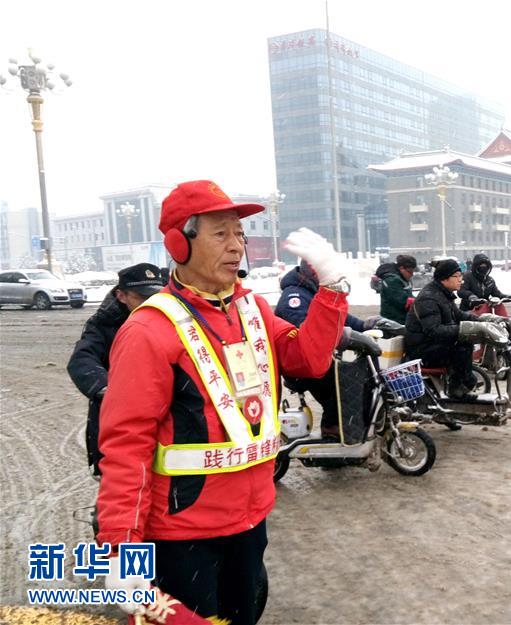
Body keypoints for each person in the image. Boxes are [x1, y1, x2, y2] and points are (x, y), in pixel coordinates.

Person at [96, 180, 348, 624]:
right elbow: (125, 444)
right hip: (182, 533)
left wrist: (332, 289)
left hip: (250, 521)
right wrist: (121, 551)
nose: (236, 246)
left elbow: (307, 360)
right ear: (179, 242)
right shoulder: (149, 331)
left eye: (240, 234)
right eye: (220, 234)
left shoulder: (251, 310)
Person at [67, 263, 166, 477]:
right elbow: (82, 360)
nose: (152, 303)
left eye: (156, 296)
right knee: (120, 486)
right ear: (122, 296)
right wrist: (111, 390)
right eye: (143, 298)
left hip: (163, 425)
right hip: (120, 423)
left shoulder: (171, 317)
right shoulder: (103, 324)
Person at [275, 260, 383, 439]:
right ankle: (332, 429)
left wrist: (364, 325)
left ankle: (345, 427)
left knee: (351, 377)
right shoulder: (294, 297)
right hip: (301, 365)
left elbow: (337, 316)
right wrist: (345, 337)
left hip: (315, 359)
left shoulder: (311, 292)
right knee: (342, 386)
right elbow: (305, 331)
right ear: (310, 271)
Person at [405, 259, 507, 400]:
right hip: (422, 351)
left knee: (465, 343)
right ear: (444, 278)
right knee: (462, 346)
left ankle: (463, 383)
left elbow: (459, 315)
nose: (461, 280)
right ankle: (458, 389)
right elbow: (434, 330)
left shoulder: (443, 294)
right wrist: (464, 329)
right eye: (457, 276)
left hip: (432, 345)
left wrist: (483, 320)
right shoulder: (429, 298)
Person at [375, 254, 417, 324]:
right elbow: (403, 301)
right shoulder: (392, 280)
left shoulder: (402, 279)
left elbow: (409, 296)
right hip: (394, 321)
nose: (412, 274)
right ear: (401, 268)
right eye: (409, 271)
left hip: (402, 318)